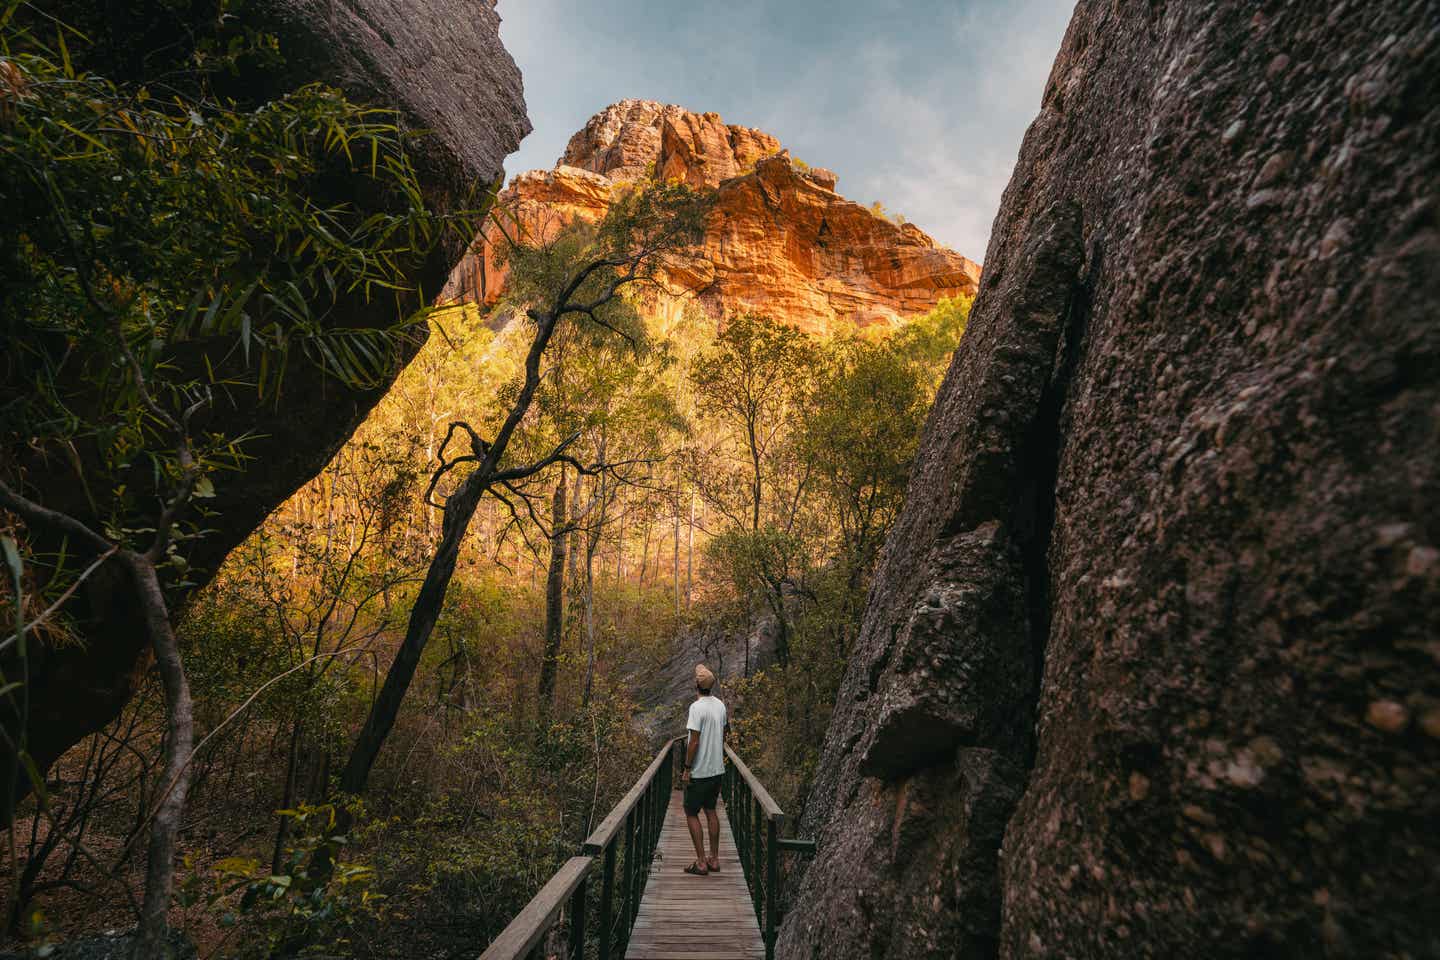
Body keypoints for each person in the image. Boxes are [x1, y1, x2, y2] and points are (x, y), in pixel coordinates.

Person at [681, 663, 727, 876]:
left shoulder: (696, 708)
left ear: (696, 685)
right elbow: (723, 733)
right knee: (711, 811)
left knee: (691, 812)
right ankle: (714, 859)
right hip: (717, 770)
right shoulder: (720, 706)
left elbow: (693, 742)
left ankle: (701, 862)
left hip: (699, 772)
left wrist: (687, 768)